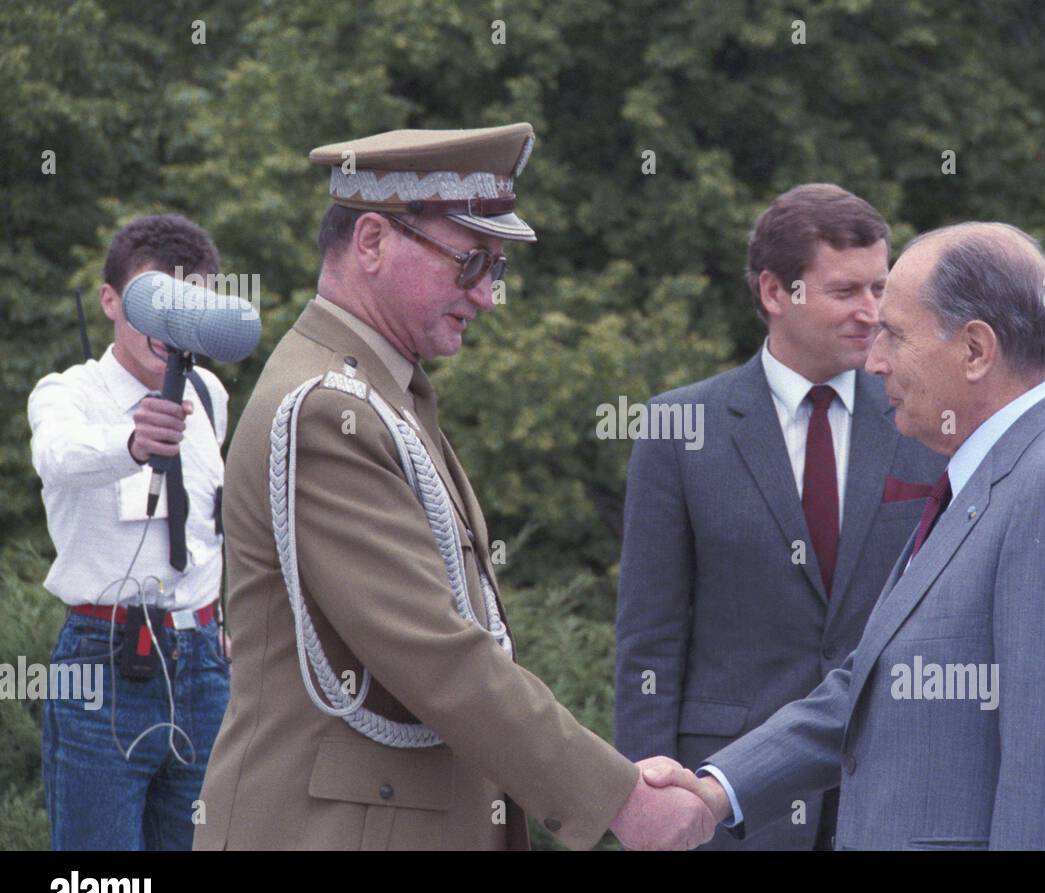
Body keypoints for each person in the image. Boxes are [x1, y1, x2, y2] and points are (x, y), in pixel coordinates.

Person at [194, 123, 711, 851]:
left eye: (496, 270)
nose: (489, 298)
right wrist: (619, 798)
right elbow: (436, 652)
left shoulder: (380, 394)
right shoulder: (328, 410)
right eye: (472, 263)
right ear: (371, 241)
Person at [642, 222, 1045, 850]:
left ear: (975, 350)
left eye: (894, 333)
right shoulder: (981, 478)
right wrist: (718, 789)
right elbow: (871, 683)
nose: (872, 358)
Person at [614, 184, 944, 850]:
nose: (871, 312)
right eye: (846, 291)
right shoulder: (681, 429)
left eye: (880, 289)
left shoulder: (926, 424)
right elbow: (649, 637)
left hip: (892, 789)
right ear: (775, 292)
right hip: (728, 801)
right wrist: (646, 807)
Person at [29, 214, 232, 850]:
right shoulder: (68, 393)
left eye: (188, 303)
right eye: (153, 301)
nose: (169, 327)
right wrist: (131, 442)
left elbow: (211, 526)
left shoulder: (211, 393)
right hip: (103, 658)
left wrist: (229, 624)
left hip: (203, 662)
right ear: (111, 300)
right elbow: (57, 455)